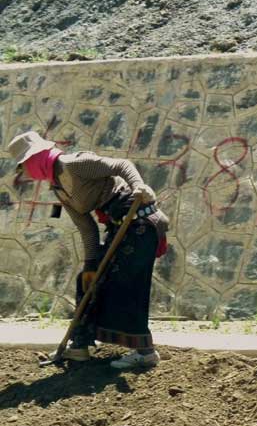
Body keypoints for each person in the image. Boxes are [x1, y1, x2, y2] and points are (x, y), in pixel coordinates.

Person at [8, 131, 169, 369]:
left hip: (139, 221)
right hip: (119, 227)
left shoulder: (74, 164)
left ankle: (145, 353)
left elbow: (120, 165)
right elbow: (87, 229)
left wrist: (138, 187)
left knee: (124, 284)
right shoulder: (59, 189)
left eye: (23, 165)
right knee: (87, 282)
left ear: (35, 159)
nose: (24, 172)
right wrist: (90, 265)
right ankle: (79, 346)